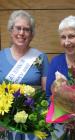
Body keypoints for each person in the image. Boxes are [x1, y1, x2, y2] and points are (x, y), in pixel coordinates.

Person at [0, 10, 49, 140]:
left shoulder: (40, 57)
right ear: (11, 31)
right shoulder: (0, 57)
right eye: (18, 28)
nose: (21, 33)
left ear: (31, 34)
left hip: (33, 124)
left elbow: (46, 93)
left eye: (26, 29)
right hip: (5, 125)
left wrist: (41, 118)